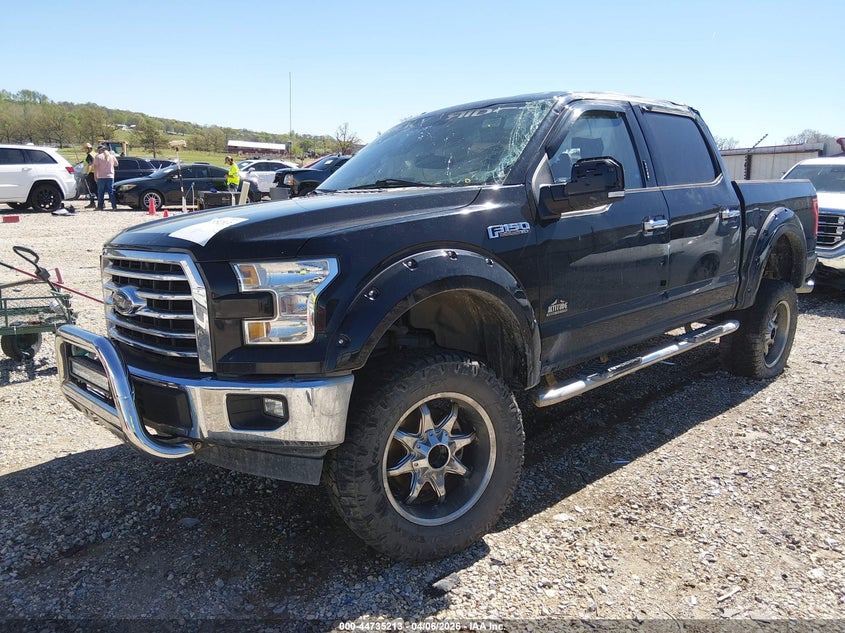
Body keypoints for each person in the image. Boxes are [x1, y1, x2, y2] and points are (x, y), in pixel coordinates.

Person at [93, 144, 119, 211]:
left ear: (100, 150)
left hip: (101, 176)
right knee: (111, 192)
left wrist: (95, 176)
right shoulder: (112, 156)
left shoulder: (98, 157)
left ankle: (100, 206)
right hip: (110, 176)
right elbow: (116, 164)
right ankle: (114, 206)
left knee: (101, 192)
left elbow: (95, 167)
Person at [82, 142, 97, 208]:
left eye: (85, 149)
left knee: (91, 189)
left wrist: (86, 173)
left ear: (88, 149)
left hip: (90, 174)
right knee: (95, 189)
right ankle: (99, 202)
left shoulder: (89, 155)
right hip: (95, 173)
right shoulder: (95, 154)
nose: (84, 150)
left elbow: (90, 164)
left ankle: (92, 203)